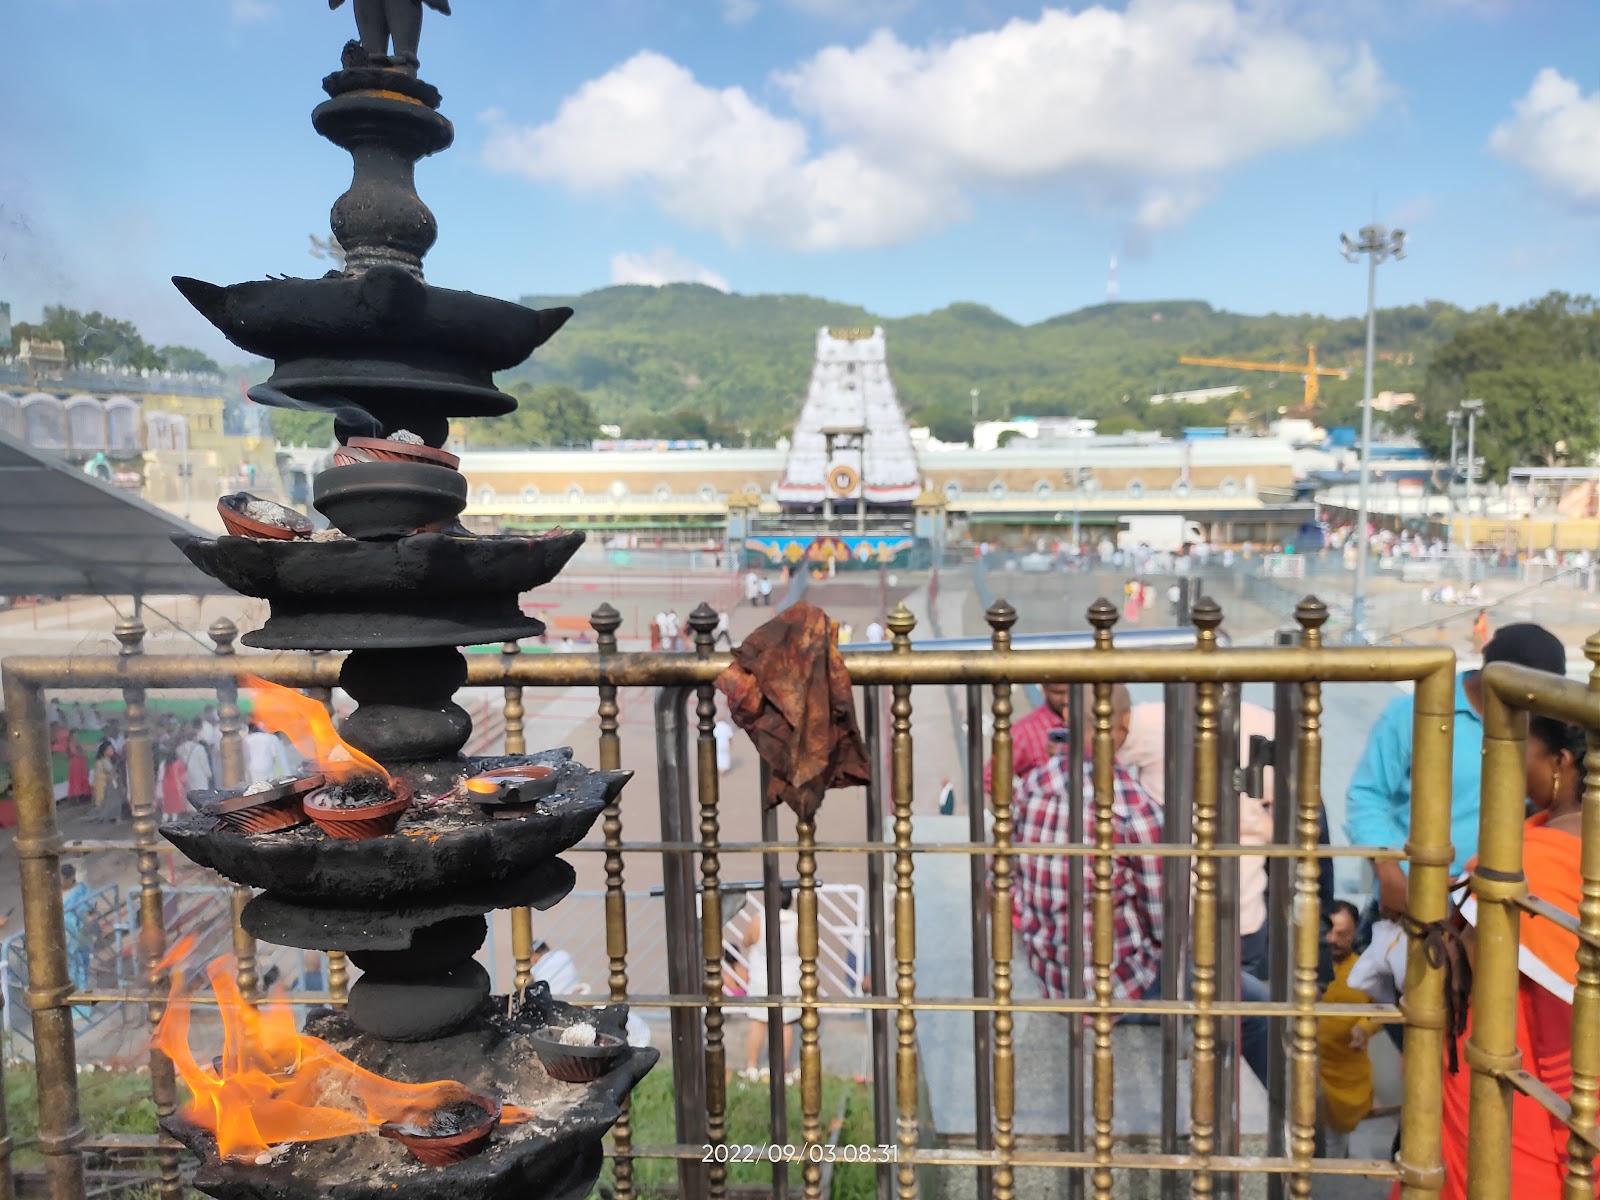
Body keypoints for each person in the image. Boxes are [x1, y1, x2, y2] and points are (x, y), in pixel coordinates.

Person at [1426, 714, 1589, 1200]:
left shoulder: (1527, 860)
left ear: (1561, 762)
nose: (1510, 769)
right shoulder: (1551, 840)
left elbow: (1468, 964)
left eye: (1524, 753)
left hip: (1516, 1069)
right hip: (1579, 1065)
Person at [1347, 623, 1566, 918]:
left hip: (1500, 901)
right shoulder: (1413, 714)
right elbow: (1367, 796)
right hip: (1413, 896)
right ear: (1496, 677)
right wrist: (1388, 871)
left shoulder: (1541, 728)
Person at [1011, 685, 1163, 1014]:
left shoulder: (1031, 787)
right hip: (1116, 986)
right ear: (1125, 721)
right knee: (1245, 1000)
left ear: (1067, 716)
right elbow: (1163, 920)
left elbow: (1009, 876)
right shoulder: (1135, 809)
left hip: (1048, 973)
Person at [1317, 900, 1381, 1158]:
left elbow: (1382, 1009)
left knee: (1335, 1148)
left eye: (1342, 934)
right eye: (1328, 932)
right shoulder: (1305, 966)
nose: (1333, 939)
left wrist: (1364, 1028)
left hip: (1347, 1076)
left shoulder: (1367, 969)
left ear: (1355, 933)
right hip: (1311, 1070)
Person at [734, 889, 801, 1084]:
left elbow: (746, 941)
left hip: (762, 978)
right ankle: (780, 1067)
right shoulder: (799, 922)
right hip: (789, 980)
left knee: (758, 1022)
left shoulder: (759, 920)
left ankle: (752, 1065)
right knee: (785, 1025)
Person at [982, 682, 1073, 794]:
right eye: (1058, 693)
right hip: (1044, 807)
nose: (1066, 700)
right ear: (1044, 690)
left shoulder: (1089, 723)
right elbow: (990, 778)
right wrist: (1024, 800)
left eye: (1070, 692)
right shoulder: (1025, 731)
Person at [60, 865, 92, 995]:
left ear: (70, 878)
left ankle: (81, 995)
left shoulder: (81, 890)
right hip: (61, 934)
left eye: (62, 879)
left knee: (80, 966)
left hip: (77, 934)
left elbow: (89, 911)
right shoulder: (55, 892)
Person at [89, 741, 126, 824]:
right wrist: (109, 777)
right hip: (106, 786)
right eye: (109, 749)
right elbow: (98, 776)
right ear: (104, 751)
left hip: (114, 785)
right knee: (108, 803)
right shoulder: (100, 763)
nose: (111, 750)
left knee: (117, 802)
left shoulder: (112, 761)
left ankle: (117, 817)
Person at [244, 720, 290, 785]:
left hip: (253, 768)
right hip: (267, 766)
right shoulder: (271, 738)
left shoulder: (247, 739)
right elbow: (275, 756)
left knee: (256, 786)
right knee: (268, 786)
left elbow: (245, 756)